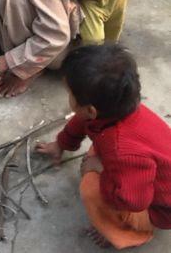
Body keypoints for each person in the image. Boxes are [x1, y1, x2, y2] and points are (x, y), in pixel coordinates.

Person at [35, 44, 171, 249]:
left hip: (160, 208)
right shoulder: (116, 111)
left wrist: (101, 170)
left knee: (91, 189)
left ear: (91, 110)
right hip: (140, 171)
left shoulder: (123, 150)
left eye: (70, 93)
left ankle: (128, 235)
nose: (69, 97)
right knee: (98, 157)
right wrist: (61, 144)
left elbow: (134, 202)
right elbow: (81, 122)